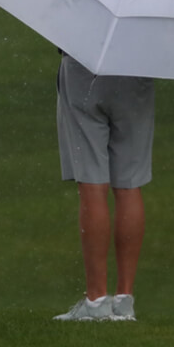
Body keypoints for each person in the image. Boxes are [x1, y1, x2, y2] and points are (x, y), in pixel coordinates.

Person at [53, 52, 156, 322]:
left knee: (92, 185)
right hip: (136, 67)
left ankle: (96, 300)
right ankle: (124, 302)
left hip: (84, 64)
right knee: (129, 185)